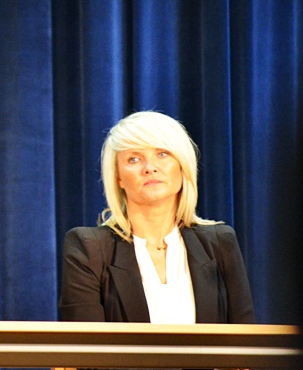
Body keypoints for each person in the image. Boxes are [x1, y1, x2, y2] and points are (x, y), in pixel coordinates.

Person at [59, 111, 255, 325]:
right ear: (118, 178)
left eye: (162, 154)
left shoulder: (220, 244)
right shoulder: (89, 249)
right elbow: (86, 343)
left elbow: (244, 338)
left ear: (182, 166)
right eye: (134, 159)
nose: (150, 168)